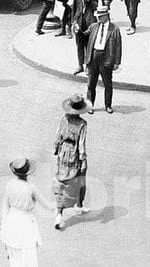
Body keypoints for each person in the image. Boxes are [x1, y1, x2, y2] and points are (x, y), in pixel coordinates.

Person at [0, 158, 50, 267]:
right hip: (25, 223)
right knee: (30, 257)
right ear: (28, 172)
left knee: (14, 259)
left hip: (11, 222)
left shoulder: (9, 185)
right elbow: (47, 205)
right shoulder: (31, 188)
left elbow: (5, 209)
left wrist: (4, 230)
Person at [52, 95, 91, 230]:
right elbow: (81, 143)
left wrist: (56, 149)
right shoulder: (82, 124)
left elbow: (58, 135)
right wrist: (83, 159)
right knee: (80, 180)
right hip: (74, 155)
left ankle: (59, 213)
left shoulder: (64, 119)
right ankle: (79, 206)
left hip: (63, 153)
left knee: (62, 181)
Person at [85, 4, 121, 113]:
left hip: (106, 59)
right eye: (98, 16)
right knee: (91, 84)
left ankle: (108, 105)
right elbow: (84, 35)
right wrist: (78, 32)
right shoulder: (94, 26)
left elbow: (118, 46)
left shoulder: (114, 29)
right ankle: (90, 106)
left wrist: (117, 62)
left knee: (107, 84)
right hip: (93, 58)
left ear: (107, 16)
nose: (98, 18)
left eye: (100, 16)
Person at [72, 0, 96, 76]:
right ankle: (80, 65)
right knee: (79, 46)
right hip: (79, 24)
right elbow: (74, 10)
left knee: (89, 47)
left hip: (89, 25)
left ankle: (88, 66)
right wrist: (74, 22)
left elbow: (96, 8)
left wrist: (90, 0)